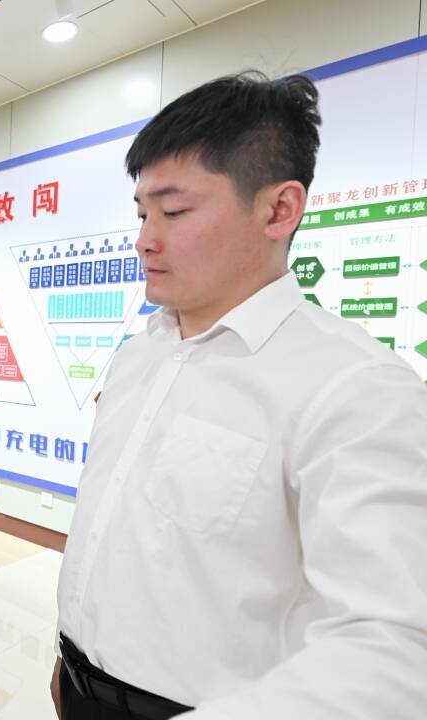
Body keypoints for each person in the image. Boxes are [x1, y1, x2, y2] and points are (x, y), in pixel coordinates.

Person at [51, 72, 427, 720]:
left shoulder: (356, 390)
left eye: (174, 212)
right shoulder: (141, 355)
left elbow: (395, 646)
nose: (144, 239)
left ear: (279, 210)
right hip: (81, 687)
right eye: (141, 214)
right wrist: (71, 652)